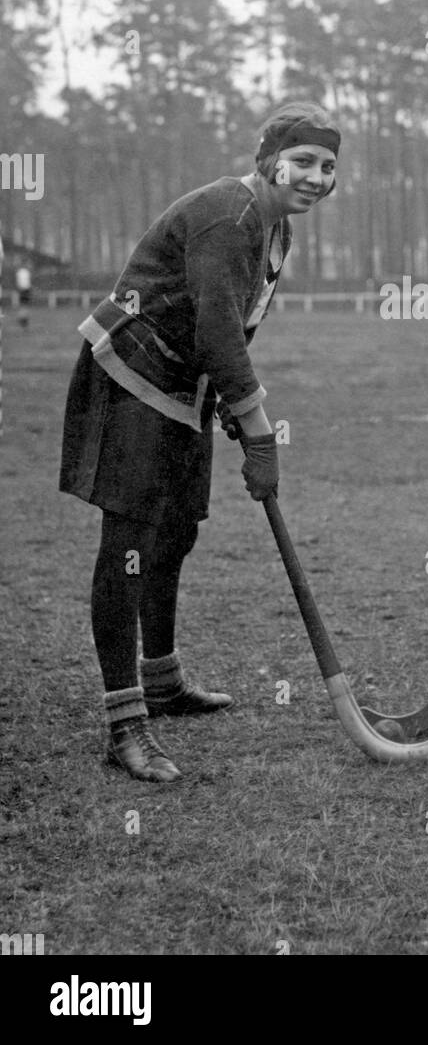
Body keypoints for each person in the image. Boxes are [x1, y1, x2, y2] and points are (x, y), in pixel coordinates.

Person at [59, 101, 341, 783]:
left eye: (329, 166)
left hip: (184, 387)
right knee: (128, 546)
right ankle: (125, 723)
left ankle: (162, 681)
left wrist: (225, 401)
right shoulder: (231, 217)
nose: (317, 177)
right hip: (132, 374)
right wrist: (258, 426)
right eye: (303, 162)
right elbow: (216, 326)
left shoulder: (274, 230)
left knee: (176, 530)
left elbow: (230, 332)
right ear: (269, 160)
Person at [15, 260, 32, 329]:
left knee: (23, 305)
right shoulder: (25, 272)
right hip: (25, 290)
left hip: (21, 289)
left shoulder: (19, 272)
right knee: (25, 305)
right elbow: (26, 282)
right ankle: (23, 320)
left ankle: (22, 318)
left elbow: (18, 282)